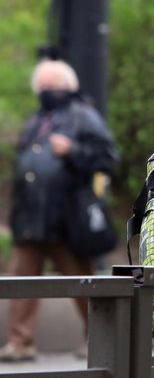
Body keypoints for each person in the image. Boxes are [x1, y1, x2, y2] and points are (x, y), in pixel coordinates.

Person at [2, 59, 119, 362]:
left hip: (67, 219)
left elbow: (107, 157)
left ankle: (99, 340)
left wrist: (73, 151)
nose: (44, 91)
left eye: (50, 86)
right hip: (30, 219)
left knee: (81, 281)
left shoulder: (83, 116)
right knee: (21, 282)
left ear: (67, 87)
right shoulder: (37, 119)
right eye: (41, 87)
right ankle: (20, 342)